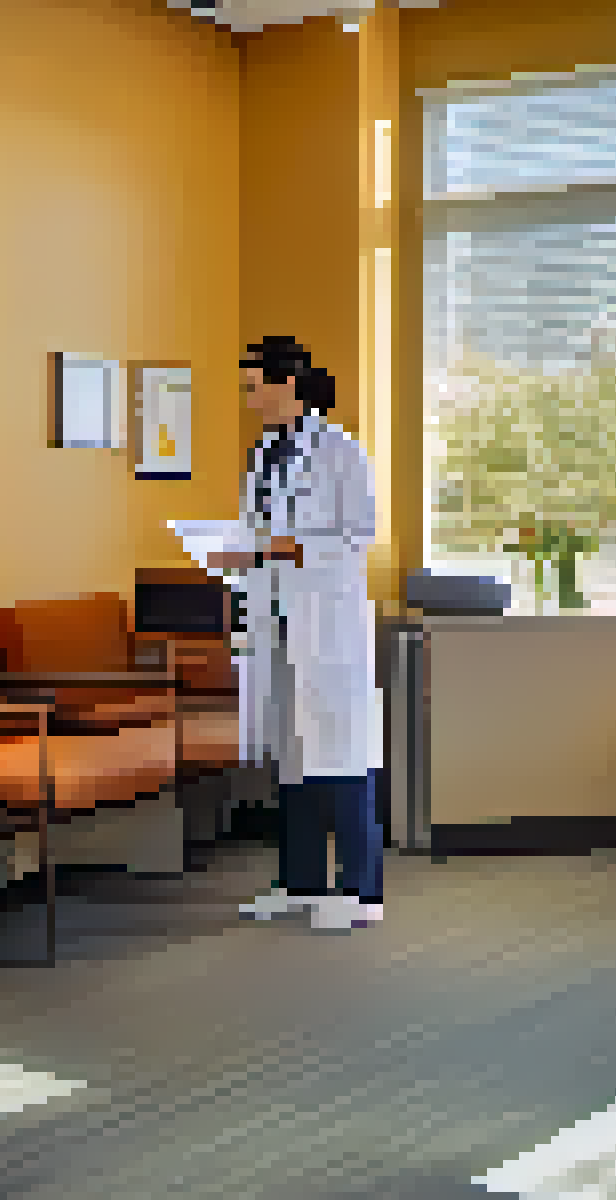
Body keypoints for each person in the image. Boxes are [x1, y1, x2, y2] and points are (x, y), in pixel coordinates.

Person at [212, 337, 384, 931]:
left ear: (285, 383)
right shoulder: (264, 452)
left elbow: (360, 534)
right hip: (276, 624)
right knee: (292, 757)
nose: (248, 397)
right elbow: (258, 532)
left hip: (327, 628)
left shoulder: (339, 450)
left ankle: (361, 892)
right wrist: (236, 553)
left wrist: (291, 547)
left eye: (253, 385)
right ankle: (300, 882)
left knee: (343, 755)